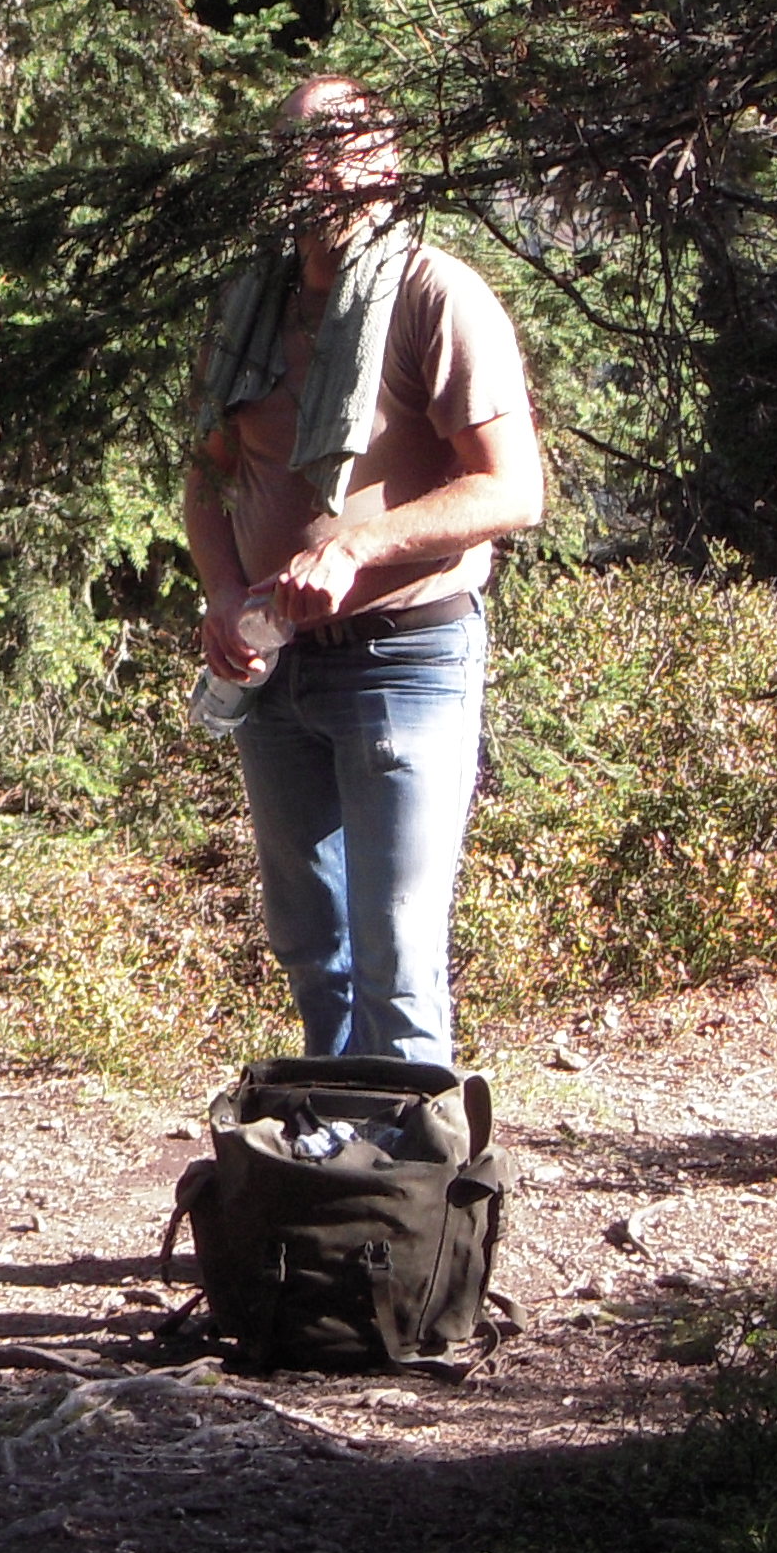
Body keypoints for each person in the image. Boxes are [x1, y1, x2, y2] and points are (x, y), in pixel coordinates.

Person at [182, 76, 545, 1069]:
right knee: (313, 950)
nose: (313, 164)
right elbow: (206, 482)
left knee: (396, 957)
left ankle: (410, 1196)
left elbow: (513, 491)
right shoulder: (249, 306)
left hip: (405, 660)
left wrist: (357, 544)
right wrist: (222, 594)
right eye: (295, 144)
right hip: (275, 669)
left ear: (388, 165)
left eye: (339, 142)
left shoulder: (437, 295)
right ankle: (334, 1165)